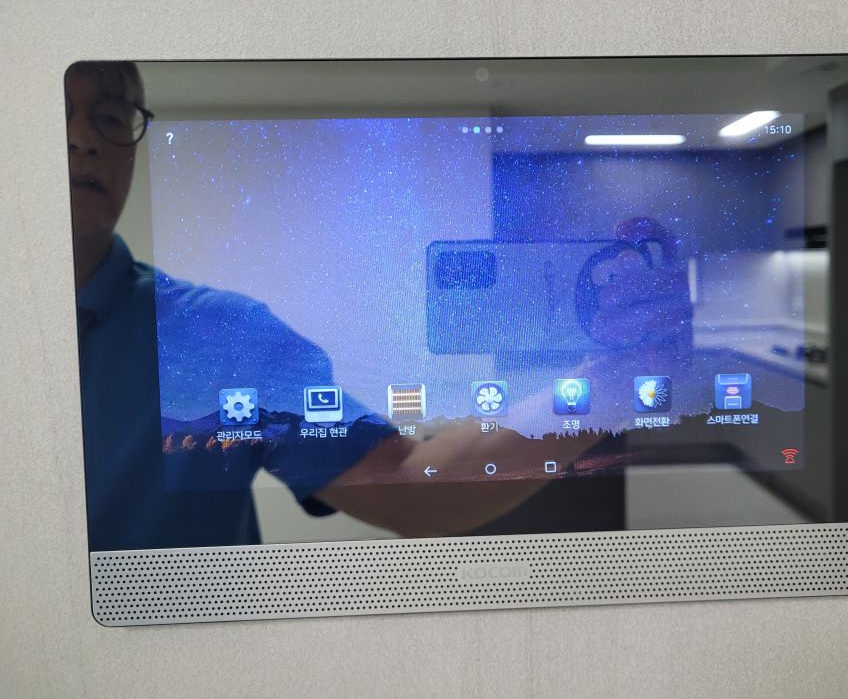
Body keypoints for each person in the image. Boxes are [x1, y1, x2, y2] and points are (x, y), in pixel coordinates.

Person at [68, 61, 691, 550]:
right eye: (57, 111)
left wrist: (612, 383)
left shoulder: (218, 334)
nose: (82, 139)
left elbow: (414, 485)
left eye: (110, 117)